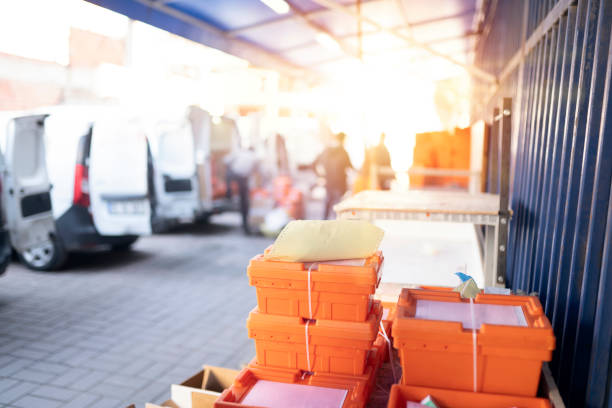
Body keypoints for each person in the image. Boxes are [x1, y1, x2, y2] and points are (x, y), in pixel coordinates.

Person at [314, 132, 353, 219]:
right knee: (338, 205)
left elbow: (316, 163)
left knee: (328, 201)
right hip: (339, 183)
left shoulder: (327, 150)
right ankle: (336, 223)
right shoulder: (343, 151)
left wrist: (320, 175)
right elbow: (350, 166)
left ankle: (324, 221)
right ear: (343, 140)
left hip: (329, 182)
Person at [225, 146, 259, 234]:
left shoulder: (239, 153)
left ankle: (229, 193)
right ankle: (245, 225)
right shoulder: (255, 157)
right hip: (242, 178)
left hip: (234, 175)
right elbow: (256, 171)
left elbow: (226, 160)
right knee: (244, 201)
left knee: (228, 174)